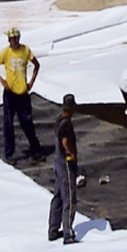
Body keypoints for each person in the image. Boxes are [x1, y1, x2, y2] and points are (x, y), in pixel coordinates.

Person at [0, 27, 43, 163]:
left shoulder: (25, 50)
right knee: (8, 124)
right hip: (10, 93)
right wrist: (2, 81)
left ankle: (35, 150)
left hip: (23, 92)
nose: (14, 41)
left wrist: (31, 82)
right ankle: (9, 153)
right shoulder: (6, 52)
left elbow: (36, 64)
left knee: (27, 123)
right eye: (11, 39)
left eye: (15, 39)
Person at [49, 93, 79, 244]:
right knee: (69, 198)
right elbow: (65, 140)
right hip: (66, 163)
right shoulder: (66, 123)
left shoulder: (59, 120)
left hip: (57, 162)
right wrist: (72, 153)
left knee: (58, 196)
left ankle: (53, 229)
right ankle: (68, 233)